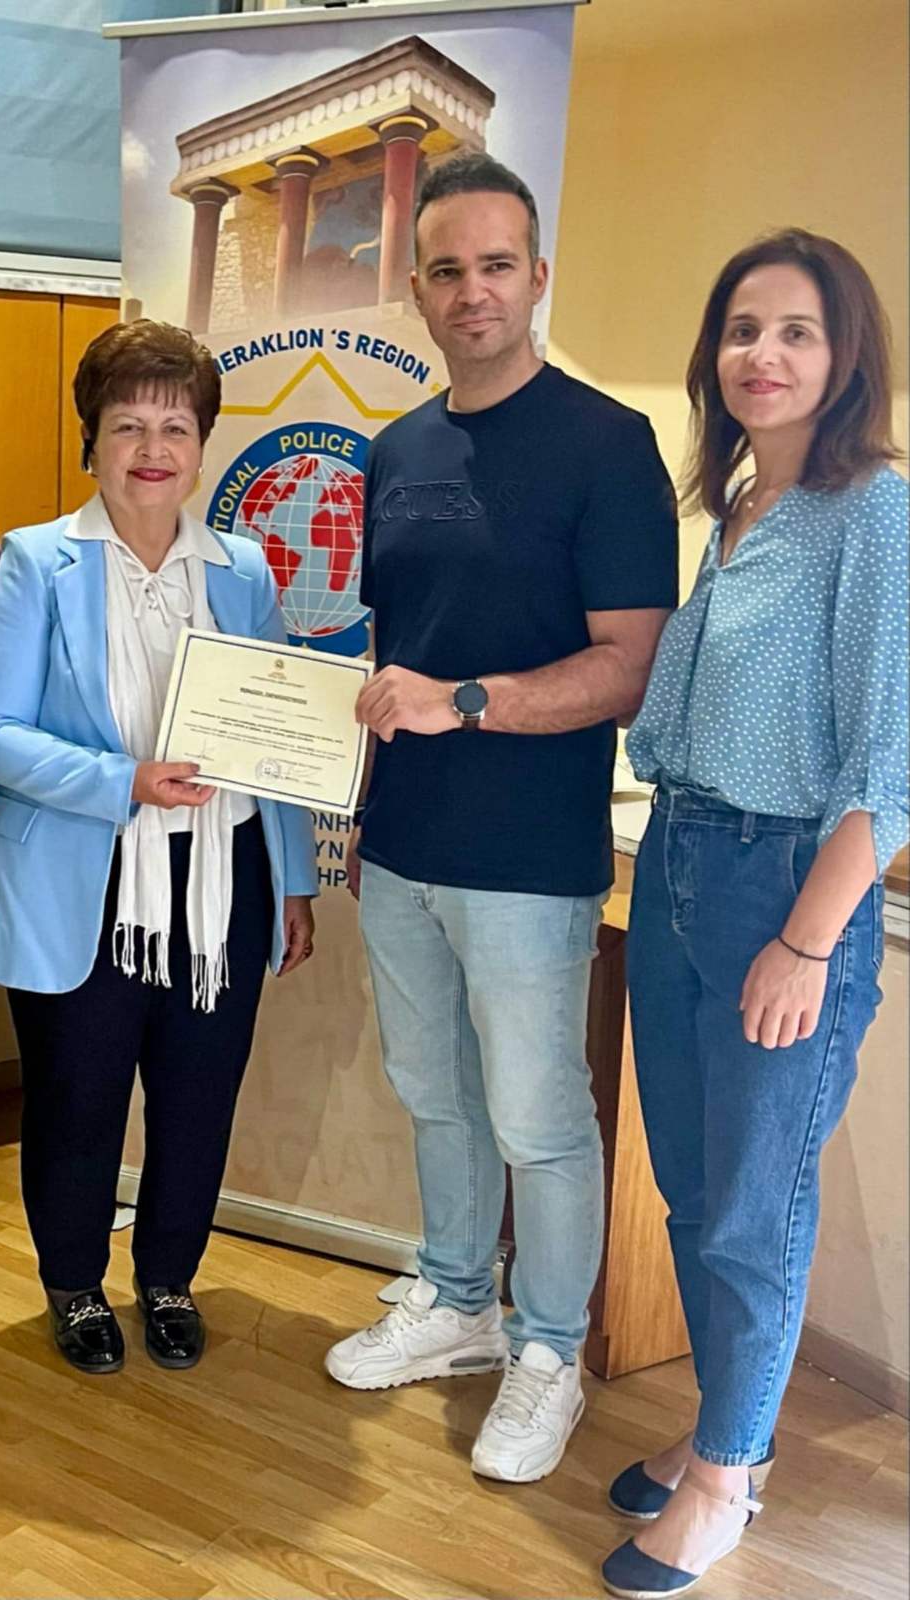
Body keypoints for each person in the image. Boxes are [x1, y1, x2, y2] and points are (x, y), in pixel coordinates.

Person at [322, 151, 678, 1483]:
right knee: (435, 1096)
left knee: (537, 1115)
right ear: (417, 291)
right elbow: (391, 653)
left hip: (528, 858)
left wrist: (463, 703)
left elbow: (629, 665)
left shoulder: (607, 445)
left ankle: (546, 1349)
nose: (471, 290)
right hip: (402, 845)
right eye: (446, 270)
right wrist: (359, 813)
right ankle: (459, 1300)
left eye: (494, 265)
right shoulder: (396, 449)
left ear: (537, 277)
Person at [601, 230, 906, 1598]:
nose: (761, 356)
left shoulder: (874, 512)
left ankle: (726, 1481)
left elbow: (890, 766)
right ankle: (726, 1426)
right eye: (740, 329)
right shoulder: (736, 508)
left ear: (846, 358)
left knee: (748, 1208)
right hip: (679, 857)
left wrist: (804, 941)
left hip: (778, 888)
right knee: (689, 1188)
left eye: (794, 331)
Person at [0, 319, 317, 1375]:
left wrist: (293, 880)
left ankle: (167, 1278)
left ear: (201, 447)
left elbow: (274, 737)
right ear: (91, 441)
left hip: (223, 878)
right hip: (83, 874)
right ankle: (73, 1284)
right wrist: (124, 781)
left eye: (175, 427)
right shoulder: (36, 561)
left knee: (198, 1099)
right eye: (127, 425)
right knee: (78, 1101)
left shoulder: (244, 569)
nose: (152, 449)